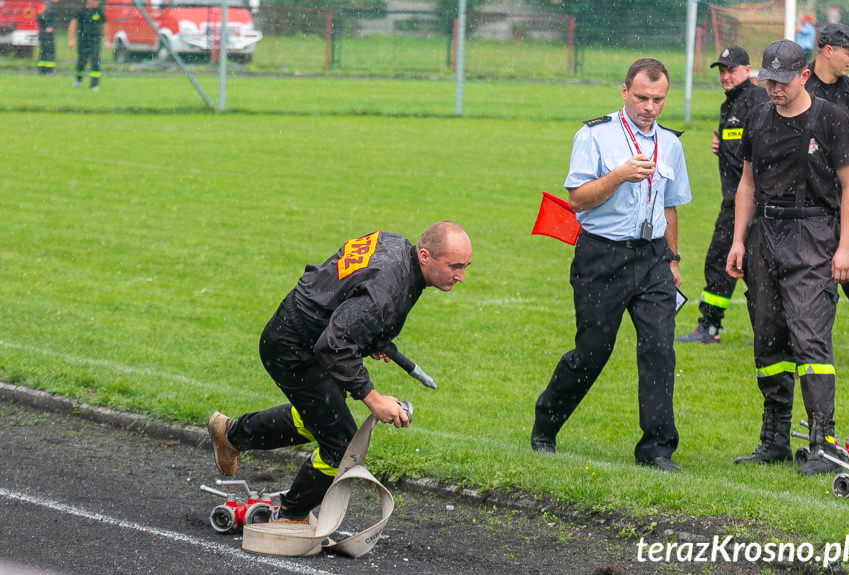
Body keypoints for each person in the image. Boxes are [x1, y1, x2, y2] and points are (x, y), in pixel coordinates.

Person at [208, 222, 472, 522]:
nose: (461, 276)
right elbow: (335, 345)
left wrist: (368, 332)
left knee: (322, 418)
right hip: (293, 347)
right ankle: (291, 516)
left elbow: (349, 291)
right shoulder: (388, 289)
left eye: (465, 266)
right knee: (341, 443)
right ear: (424, 256)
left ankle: (230, 434)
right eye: (455, 266)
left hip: (304, 331)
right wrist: (373, 398)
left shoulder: (397, 245)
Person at [530, 58, 691, 472]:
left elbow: (670, 207)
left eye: (657, 99)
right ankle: (546, 422)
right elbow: (578, 198)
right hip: (603, 255)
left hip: (653, 257)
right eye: (641, 97)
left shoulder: (671, 143)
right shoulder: (594, 136)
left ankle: (656, 448)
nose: (649, 107)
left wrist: (672, 259)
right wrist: (618, 175)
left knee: (659, 350)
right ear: (624, 92)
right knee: (592, 353)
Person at [727, 40, 849, 475]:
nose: (775, 89)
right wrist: (738, 242)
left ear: (804, 76)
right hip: (764, 234)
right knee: (769, 337)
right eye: (769, 80)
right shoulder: (758, 117)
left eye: (783, 81)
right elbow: (747, 184)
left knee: (810, 338)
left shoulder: (831, 118)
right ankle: (774, 440)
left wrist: (844, 246)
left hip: (814, 234)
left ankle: (823, 442)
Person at [678, 46, 768, 344]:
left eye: (732, 70)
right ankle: (710, 326)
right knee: (721, 261)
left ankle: (762, 330)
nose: (726, 76)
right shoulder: (728, 105)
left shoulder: (758, 100)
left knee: (746, 265)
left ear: (747, 70)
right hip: (732, 201)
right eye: (722, 71)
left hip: (755, 203)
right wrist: (722, 149)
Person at [805, 23, 849, 371]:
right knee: (809, 277)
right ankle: (808, 345)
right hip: (808, 205)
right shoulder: (800, 91)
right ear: (827, 50)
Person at [68, 0, 106, 91]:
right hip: (83, 41)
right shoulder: (81, 11)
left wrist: (107, 40)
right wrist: (71, 39)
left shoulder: (99, 12)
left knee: (95, 61)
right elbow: (73, 24)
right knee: (82, 61)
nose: (97, 2)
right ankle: (78, 79)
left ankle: (94, 84)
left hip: (95, 41)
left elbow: (105, 25)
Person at [36, 0, 56, 75]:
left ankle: (42, 70)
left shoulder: (44, 4)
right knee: (49, 50)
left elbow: (38, 16)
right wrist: (48, 25)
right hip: (46, 32)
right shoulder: (49, 5)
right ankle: (49, 70)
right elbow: (44, 15)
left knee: (43, 51)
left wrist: (42, 26)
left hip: (42, 31)